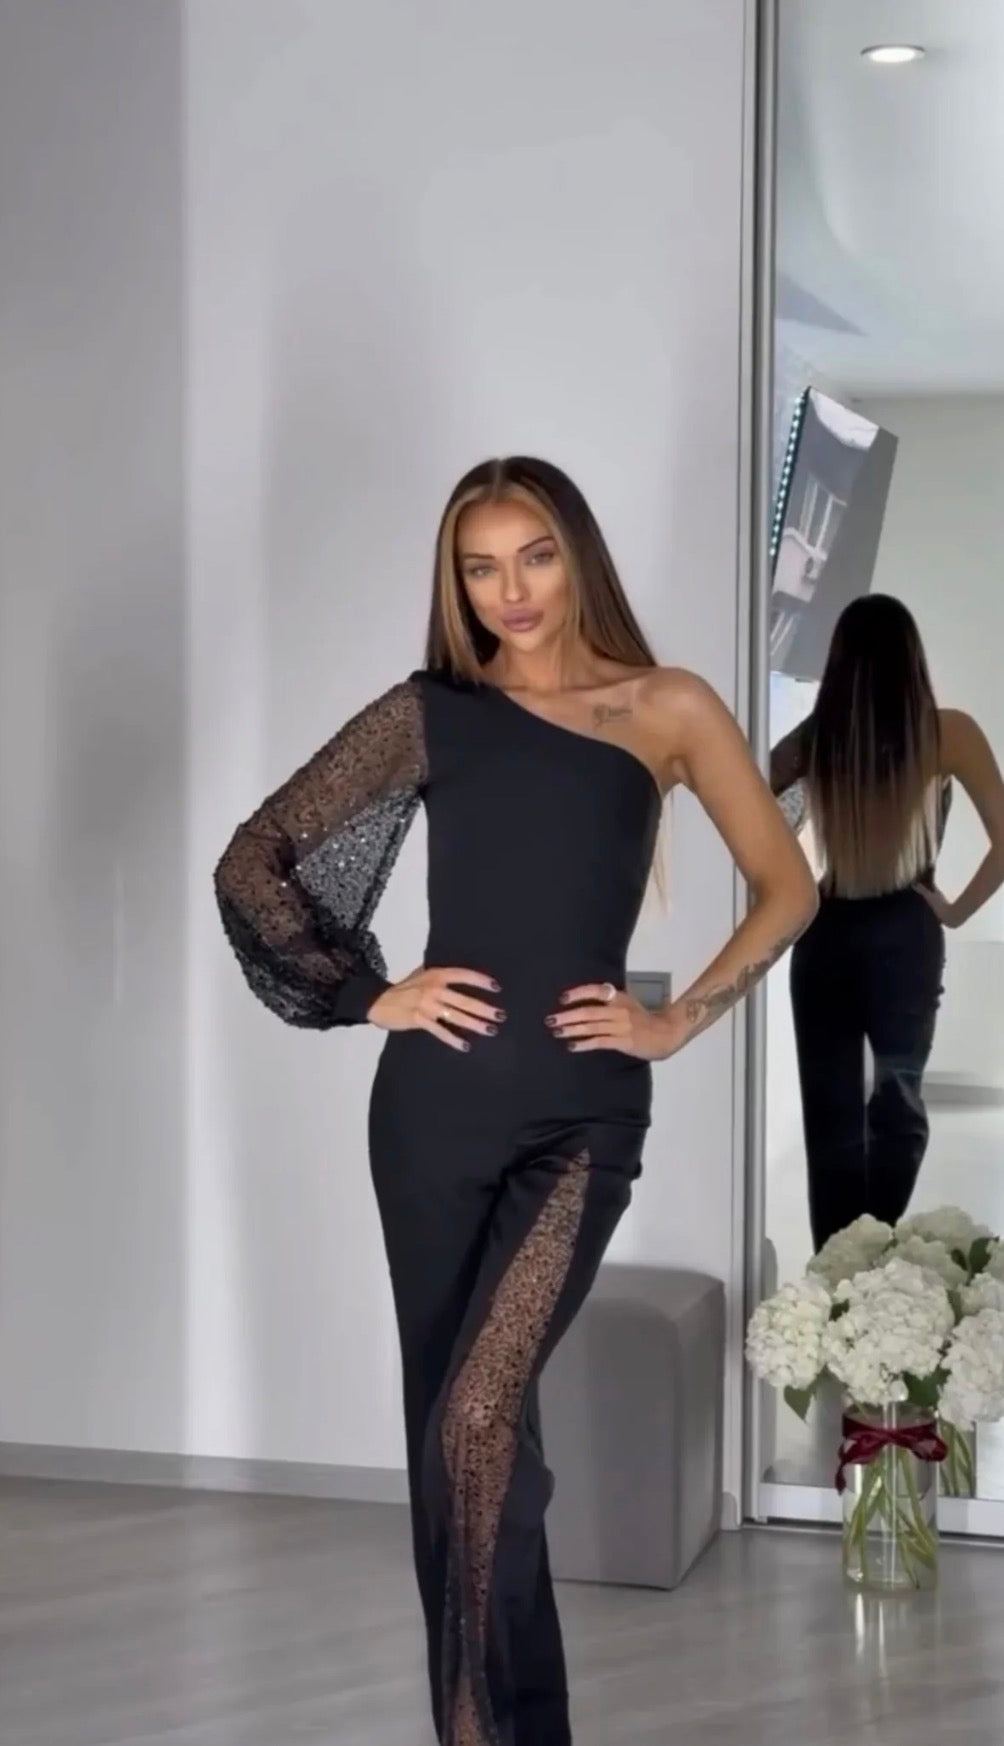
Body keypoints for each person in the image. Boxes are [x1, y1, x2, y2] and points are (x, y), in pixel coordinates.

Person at [214, 456, 816, 1746]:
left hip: (579, 1121)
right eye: (479, 568)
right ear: (457, 582)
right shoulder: (431, 711)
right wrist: (369, 994)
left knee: (480, 1417)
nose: (510, 591)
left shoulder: (665, 706)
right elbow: (254, 860)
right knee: (455, 1442)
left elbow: (787, 888)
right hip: (428, 1117)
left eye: (532, 556)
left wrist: (674, 1018)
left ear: (575, 551)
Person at [771, 594, 1004, 1253]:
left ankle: (838, 1268)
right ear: (912, 658)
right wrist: (954, 910)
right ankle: (875, 1257)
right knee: (898, 1107)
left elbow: (755, 811)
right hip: (905, 928)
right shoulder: (947, 732)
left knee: (831, 1118)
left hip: (828, 931)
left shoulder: (816, 740)